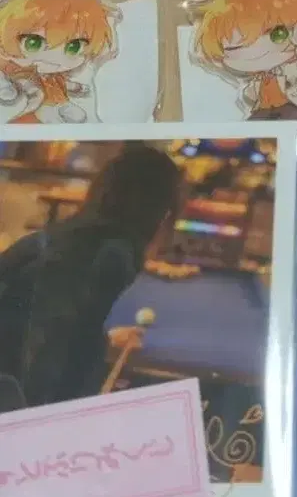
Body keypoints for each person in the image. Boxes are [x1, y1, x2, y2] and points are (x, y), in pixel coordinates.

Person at [0, 145, 182, 411]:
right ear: (163, 214)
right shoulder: (113, 253)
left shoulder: (67, 237)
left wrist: (100, 339)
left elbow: (48, 322)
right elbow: (45, 359)